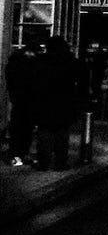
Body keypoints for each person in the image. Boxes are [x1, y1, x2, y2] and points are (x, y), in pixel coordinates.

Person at [32, 36, 85, 171]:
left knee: (44, 133)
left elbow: (32, 82)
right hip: (65, 101)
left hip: (44, 101)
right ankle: (60, 163)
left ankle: (44, 162)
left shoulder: (40, 62)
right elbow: (81, 79)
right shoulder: (71, 62)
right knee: (62, 134)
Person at [5, 37, 40, 166]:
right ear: (30, 51)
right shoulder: (28, 64)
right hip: (25, 101)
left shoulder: (14, 63)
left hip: (19, 100)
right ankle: (19, 154)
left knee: (20, 129)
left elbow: (11, 82)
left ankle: (17, 154)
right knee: (23, 129)